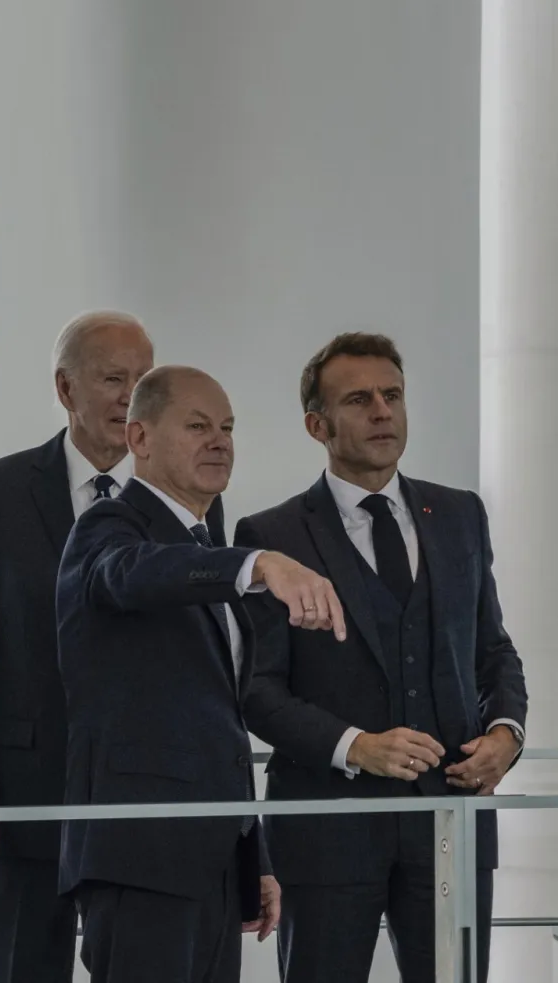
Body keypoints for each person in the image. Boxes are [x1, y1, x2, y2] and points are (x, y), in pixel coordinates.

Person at [235, 333, 528, 982]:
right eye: (359, 398)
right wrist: (355, 744)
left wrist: (506, 733)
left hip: (449, 817)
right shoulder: (271, 536)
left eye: (392, 395)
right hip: (326, 824)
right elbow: (258, 690)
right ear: (317, 423)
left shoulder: (459, 514)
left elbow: (493, 650)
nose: (381, 410)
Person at [0, 310, 226, 983]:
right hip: (24, 801)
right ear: (66, 390)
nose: (131, 394)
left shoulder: (190, 499)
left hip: (143, 814)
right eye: (112, 378)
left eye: (143, 378)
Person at [56, 365, 342, 983]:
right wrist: (258, 561)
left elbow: (217, 722)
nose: (219, 441)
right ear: (138, 439)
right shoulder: (108, 527)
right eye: (196, 426)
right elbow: (128, 574)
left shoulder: (204, 545)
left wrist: (253, 851)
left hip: (212, 864)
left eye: (228, 428)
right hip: (140, 859)